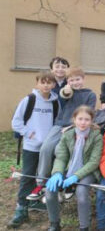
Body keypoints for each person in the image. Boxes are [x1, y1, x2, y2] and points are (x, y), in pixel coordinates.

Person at [27, 67, 97, 201]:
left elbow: (90, 114)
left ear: (83, 79)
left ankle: (68, 183)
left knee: (62, 151)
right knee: (46, 148)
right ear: (67, 81)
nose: (75, 82)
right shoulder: (65, 91)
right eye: (71, 80)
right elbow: (63, 98)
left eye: (78, 79)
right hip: (59, 125)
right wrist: (66, 91)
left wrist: (72, 126)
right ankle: (41, 184)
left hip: (77, 127)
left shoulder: (90, 94)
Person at [8, 72, 59, 228]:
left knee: (43, 176)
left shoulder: (55, 102)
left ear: (54, 85)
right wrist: (29, 134)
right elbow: (16, 122)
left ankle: (36, 201)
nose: (46, 85)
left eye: (49, 82)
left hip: (47, 148)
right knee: (27, 176)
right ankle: (21, 208)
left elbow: (57, 122)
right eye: (42, 82)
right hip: (31, 146)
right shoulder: (29, 100)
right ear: (37, 83)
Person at [44, 106, 103, 231]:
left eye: (87, 119)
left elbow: (93, 162)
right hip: (68, 169)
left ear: (91, 121)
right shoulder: (67, 135)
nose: (83, 122)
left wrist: (76, 176)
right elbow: (61, 157)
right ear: (74, 119)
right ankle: (54, 223)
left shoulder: (97, 137)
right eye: (80, 119)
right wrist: (57, 173)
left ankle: (84, 227)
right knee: (49, 191)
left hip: (87, 171)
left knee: (81, 194)